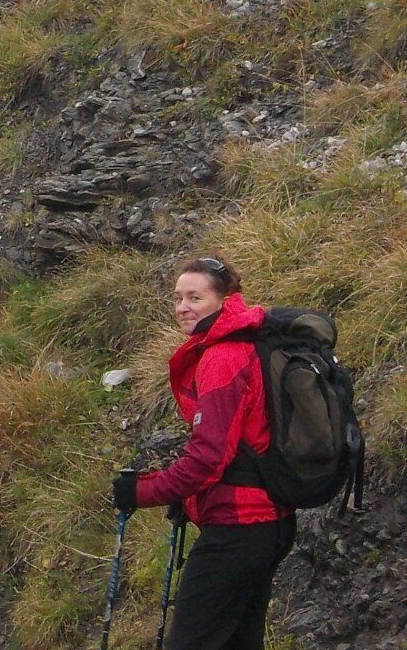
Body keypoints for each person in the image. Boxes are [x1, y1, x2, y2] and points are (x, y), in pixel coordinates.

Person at [111, 257, 294, 650]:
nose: (183, 307)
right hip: (268, 521)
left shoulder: (223, 357)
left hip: (239, 528)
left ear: (224, 301)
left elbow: (208, 458)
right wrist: (186, 495)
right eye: (178, 298)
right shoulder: (247, 345)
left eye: (195, 297)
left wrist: (142, 492)